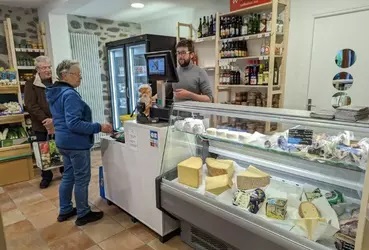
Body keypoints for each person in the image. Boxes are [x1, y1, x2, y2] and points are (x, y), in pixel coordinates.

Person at [46, 60, 113, 226]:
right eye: (77, 74)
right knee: (82, 178)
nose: (80, 77)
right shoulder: (69, 95)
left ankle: (65, 209)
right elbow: (74, 123)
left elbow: (61, 119)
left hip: (63, 141)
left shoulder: (56, 92)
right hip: (76, 144)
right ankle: (83, 213)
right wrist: (99, 127)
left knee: (68, 176)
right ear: (65, 75)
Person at [24, 56, 64, 189]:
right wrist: (45, 119)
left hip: (58, 122)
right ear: (37, 70)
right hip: (41, 124)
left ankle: (64, 170)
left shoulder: (57, 82)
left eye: (49, 67)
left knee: (61, 146)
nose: (47, 70)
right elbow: (31, 105)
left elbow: (62, 101)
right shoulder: (31, 83)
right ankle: (46, 176)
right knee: (44, 150)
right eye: (44, 68)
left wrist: (55, 119)